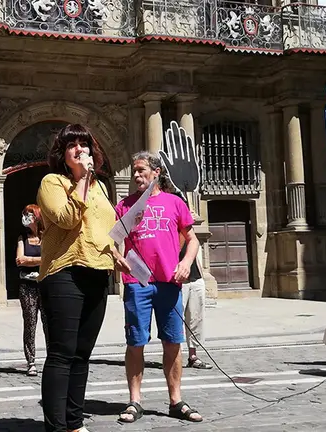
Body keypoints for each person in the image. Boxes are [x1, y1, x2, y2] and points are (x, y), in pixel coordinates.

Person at [36, 124, 129, 432]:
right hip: (64, 272)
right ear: (63, 155)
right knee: (62, 354)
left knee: (82, 354)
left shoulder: (101, 187)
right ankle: (56, 427)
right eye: (71, 145)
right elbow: (67, 219)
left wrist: (116, 256)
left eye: (84, 144)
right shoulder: (53, 182)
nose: (79, 149)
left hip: (97, 273)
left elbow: (104, 228)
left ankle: (74, 423)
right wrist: (83, 180)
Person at [115, 151, 203, 424]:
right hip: (137, 283)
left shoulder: (174, 203)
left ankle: (176, 401)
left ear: (156, 173)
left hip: (168, 283)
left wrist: (187, 263)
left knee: (173, 342)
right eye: (134, 171)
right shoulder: (125, 206)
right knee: (135, 343)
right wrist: (116, 257)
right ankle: (135, 402)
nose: (136, 175)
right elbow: (112, 242)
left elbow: (192, 239)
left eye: (141, 170)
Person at [16, 204, 48, 377]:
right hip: (27, 286)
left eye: (29, 214)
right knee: (30, 324)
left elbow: (52, 259)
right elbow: (19, 260)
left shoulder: (47, 236)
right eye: (24, 213)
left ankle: (52, 358)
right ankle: (31, 361)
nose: (25, 217)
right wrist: (40, 260)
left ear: (36, 216)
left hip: (45, 285)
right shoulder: (22, 237)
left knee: (49, 323)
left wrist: (30, 259)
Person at [181, 241, 212, 370]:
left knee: (196, 319)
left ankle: (193, 356)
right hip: (177, 280)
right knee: (174, 320)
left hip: (196, 278)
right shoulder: (168, 225)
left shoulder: (189, 230)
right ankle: (174, 356)